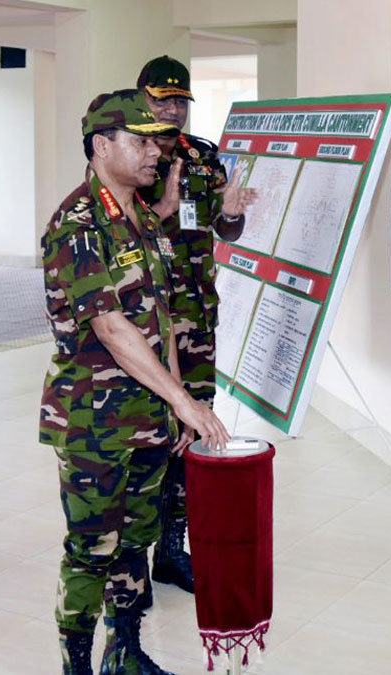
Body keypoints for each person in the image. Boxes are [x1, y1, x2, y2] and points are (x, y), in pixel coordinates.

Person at [39, 88, 231, 675]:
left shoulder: (143, 218)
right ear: (102, 145)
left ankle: (125, 650)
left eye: (159, 140)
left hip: (147, 414)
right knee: (92, 548)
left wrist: (176, 401)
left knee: (135, 540)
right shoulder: (77, 224)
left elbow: (163, 320)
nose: (157, 151)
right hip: (94, 420)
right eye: (142, 140)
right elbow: (114, 328)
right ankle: (77, 661)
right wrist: (185, 402)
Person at [136, 55, 258, 594]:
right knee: (146, 432)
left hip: (195, 318)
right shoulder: (123, 160)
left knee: (193, 427)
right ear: (142, 100)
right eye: (162, 100)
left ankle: (172, 547)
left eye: (180, 101)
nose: (172, 110)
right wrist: (162, 208)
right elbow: (119, 234)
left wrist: (231, 211)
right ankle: (128, 555)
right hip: (141, 322)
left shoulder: (206, 160)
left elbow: (224, 230)